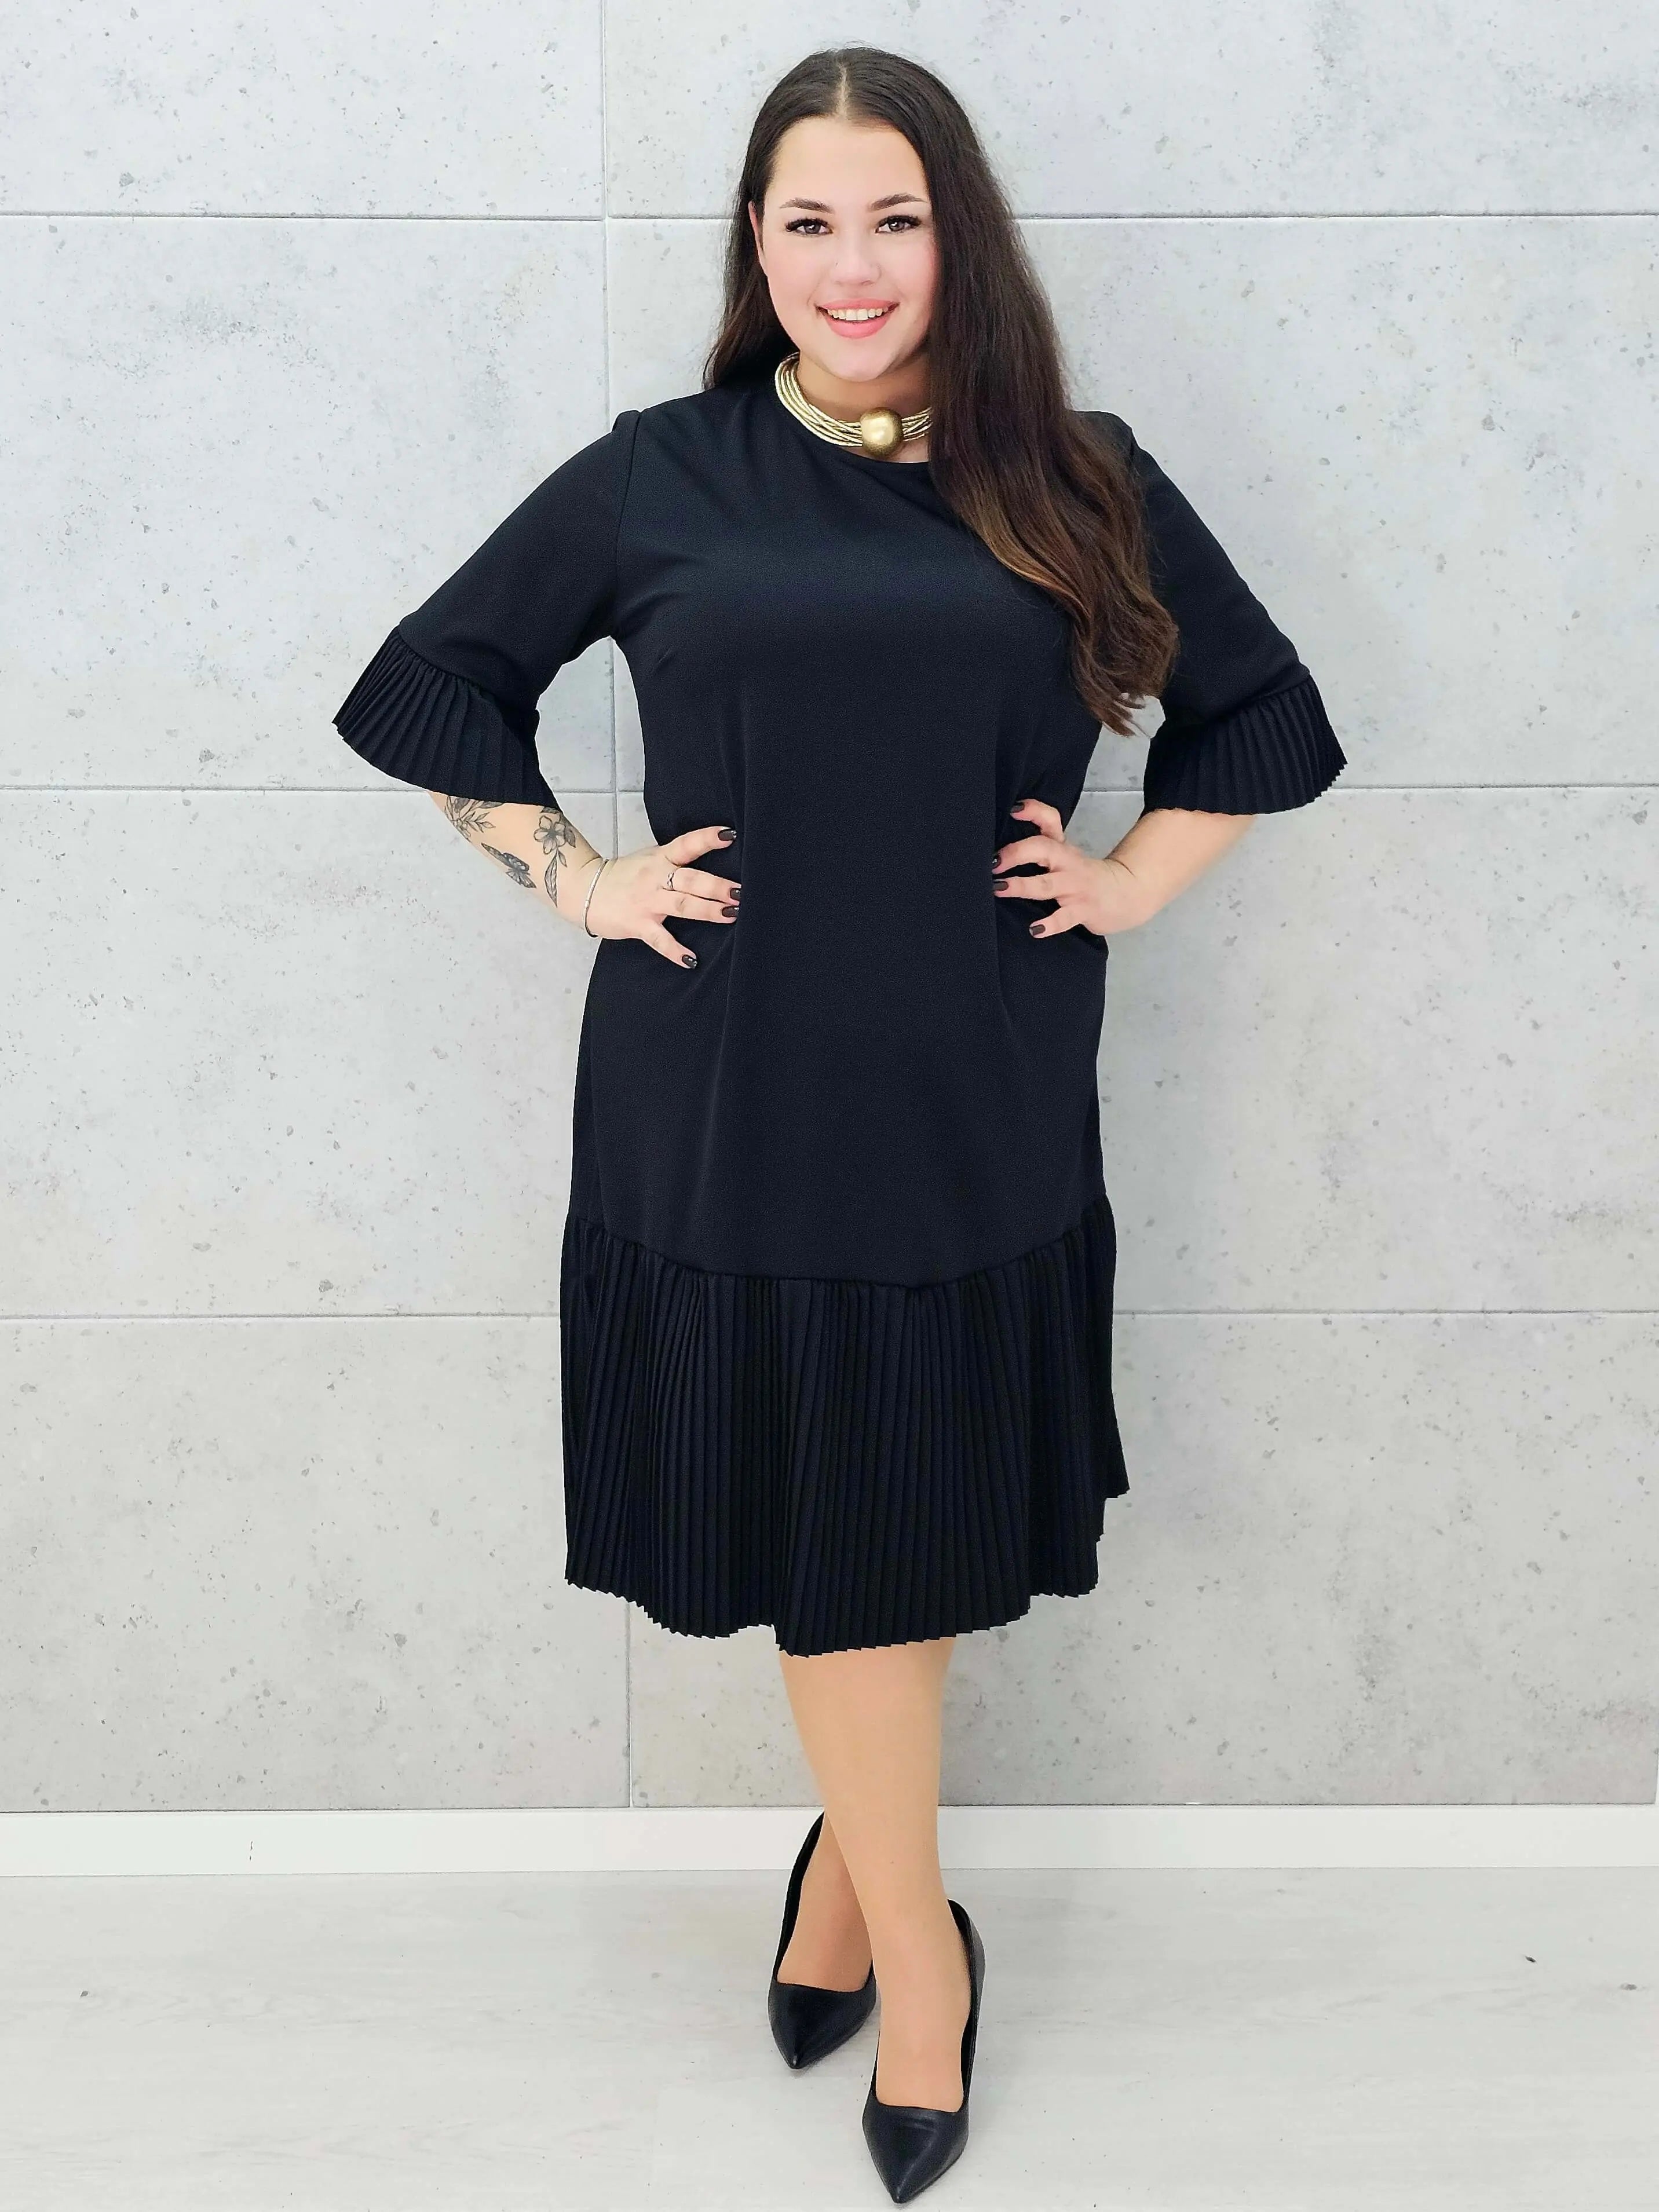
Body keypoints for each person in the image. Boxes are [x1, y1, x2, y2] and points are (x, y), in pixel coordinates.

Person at [332, 43, 1347, 2203]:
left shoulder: (1075, 474)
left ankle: (854, 1896)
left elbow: (1265, 718)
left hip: (974, 1086)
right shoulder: (662, 473)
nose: (853, 264)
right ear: (758, 246)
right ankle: (919, 1948)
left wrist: (1127, 882)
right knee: (838, 1538)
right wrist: (579, 879)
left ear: (957, 239)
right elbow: (427, 689)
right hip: (719, 1090)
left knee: (887, 1528)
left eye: (895, 218)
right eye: (809, 222)